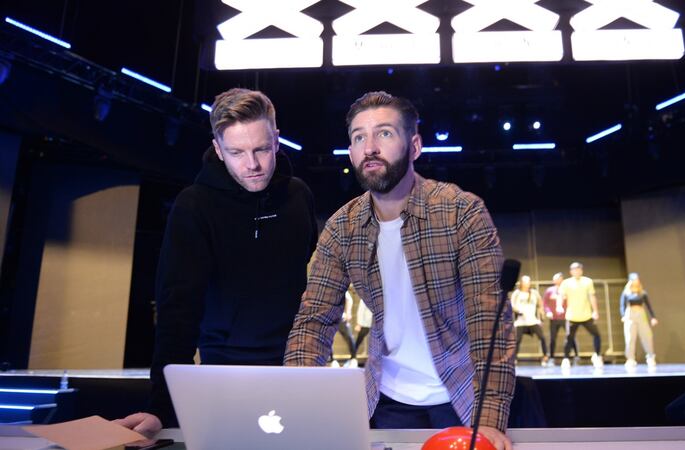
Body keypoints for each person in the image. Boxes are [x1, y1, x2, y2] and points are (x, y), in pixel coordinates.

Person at [284, 91, 514, 450]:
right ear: (351, 152)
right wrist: (296, 402)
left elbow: (490, 321)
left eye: (385, 133)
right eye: (359, 137)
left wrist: (489, 417)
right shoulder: (342, 227)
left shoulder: (461, 212)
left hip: (462, 397)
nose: (370, 147)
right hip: (387, 400)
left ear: (415, 146)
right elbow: (314, 320)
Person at [115, 88, 318, 437]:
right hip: (221, 373)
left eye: (261, 149)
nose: (252, 165)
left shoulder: (299, 197)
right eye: (236, 152)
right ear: (219, 150)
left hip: (295, 370)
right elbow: (177, 312)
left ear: (277, 140)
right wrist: (161, 408)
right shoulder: (194, 206)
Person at [557, 262, 603, 369]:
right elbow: (561, 295)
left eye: (578, 269)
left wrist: (595, 311)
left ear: (581, 271)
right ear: (571, 271)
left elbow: (592, 296)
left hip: (586, 315)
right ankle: (566, 359)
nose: (576, 271)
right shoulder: (566, 283)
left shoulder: (588, 281)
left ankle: (597, 356)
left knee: (596, 334)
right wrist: (559, 306)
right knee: (569, 338)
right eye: (574, 269)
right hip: (572, 316)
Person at [620, 273, 658, 368]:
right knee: (630, 338)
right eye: (634, 280)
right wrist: (623, 315)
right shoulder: (626, 293)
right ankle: (630, 359)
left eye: (637, 280)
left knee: (647, 336)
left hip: (641, 314)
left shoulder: (643, 293)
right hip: (630, 315)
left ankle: (650, 357)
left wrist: (653, 317)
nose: (636, 282)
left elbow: (649, 306)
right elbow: (622, 305)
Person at [510, 275, 548, 366]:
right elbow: (512, 305)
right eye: (525, 281)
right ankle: (514, 358)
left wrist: (541, 317)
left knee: (542, 337)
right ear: (522, 283)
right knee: (517, 340)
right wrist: (518, 310)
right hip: (521, 321)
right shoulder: (517, 293)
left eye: (528, 281)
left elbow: (540, 305)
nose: (527, 283)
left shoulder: (534, 293)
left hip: (532, 321)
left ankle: (545, 357)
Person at [542, 272, 578, 365]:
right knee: (552, 338)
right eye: (556, 279)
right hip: (554, 319)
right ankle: (551, 357)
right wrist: (548, 311)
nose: (558, 280)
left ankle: (576, 355)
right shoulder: (549, 290)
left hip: (566, 318)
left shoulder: (567, 290)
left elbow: (572, 301)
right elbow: (545, 303)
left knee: (570, 336)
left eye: (559, 279)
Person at [353, 291, 373, 357]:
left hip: (371, 323)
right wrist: (359, 324)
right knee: (360, 339)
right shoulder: (364, 300)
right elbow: (360, 312)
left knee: (369, 339)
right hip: (365, 324)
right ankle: (353, 355)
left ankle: (367, 353)